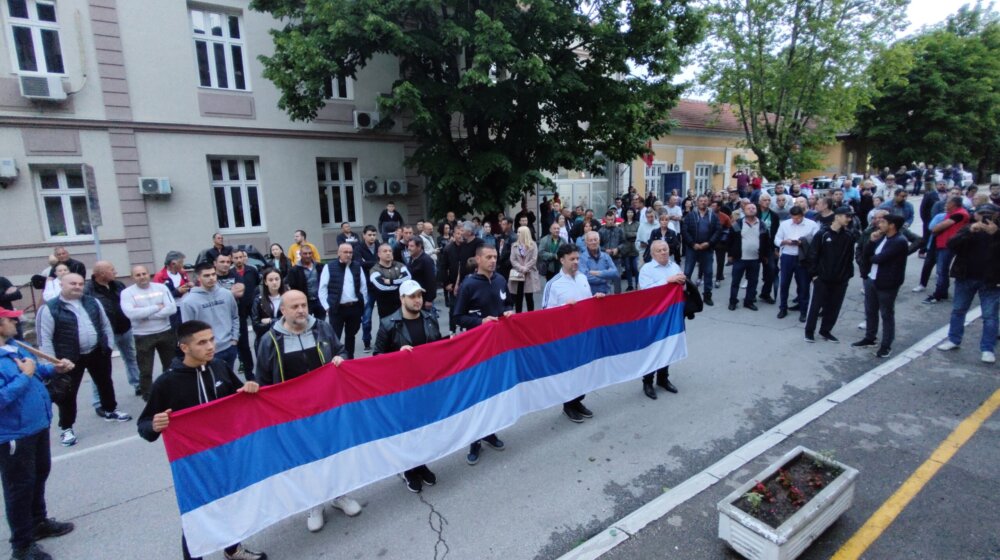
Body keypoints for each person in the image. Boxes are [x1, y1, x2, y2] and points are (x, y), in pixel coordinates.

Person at [137, 320, 267, 560]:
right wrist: (154, 425)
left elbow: (238, 398)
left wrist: (249, 388)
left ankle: (232, 549)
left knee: (230, 503)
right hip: (194, 462)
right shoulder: (167, 382)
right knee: (198, 515)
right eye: (202, 342)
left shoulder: (220, 367)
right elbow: (144, 426)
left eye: (212, 340)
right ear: (184, 347)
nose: (210, 346)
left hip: (227, 452)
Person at [255, 291, 361, 530]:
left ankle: (339, 494)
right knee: (307, 457)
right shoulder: (269, 340)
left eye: (303, 305)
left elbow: (342, 350)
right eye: (295, 306)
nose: (301, 310)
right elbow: (262, 379)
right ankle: (315, 503)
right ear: (283, 310)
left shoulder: (322, 328)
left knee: (333, 451)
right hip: (293, 414)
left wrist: (340, 358)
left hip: (326, 406)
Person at [0, 308, 75, 560]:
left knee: (38, 475)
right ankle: (21, 545)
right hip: (13, 434)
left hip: (36, 425)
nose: (16, 321)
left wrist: (55, 370)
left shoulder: (13, 346)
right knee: (19, 487)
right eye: (10, 319)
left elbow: (35, 371)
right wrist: (26, 376)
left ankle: (38, 522)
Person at [35, 274, 131, 447]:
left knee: (105, 383)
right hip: (68, 359)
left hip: (96, 352)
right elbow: (45, 339)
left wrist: (108, 346)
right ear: (61, 285)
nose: (77, 286)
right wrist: (52, 365)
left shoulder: (92, 302)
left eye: (80, 283)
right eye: (72, 283)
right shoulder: (50, 308)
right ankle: (66, 427)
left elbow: (105, 325)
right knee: (67, 393)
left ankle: (110, 410)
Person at [372, 280, 442, 492]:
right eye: (412, 296)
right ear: (402, 299)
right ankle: (408, 469)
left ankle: (421, 464)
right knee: (407, 430)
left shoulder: (430, 318)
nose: (417, 300)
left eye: (419, 295)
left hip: (425, 384)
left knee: (423, 427)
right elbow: (376, 358)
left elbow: (437, 347)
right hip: (401, 389)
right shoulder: (388, 324)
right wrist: (397, 356)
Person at [452, 245, 512, 465]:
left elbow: (508, 303)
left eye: (495, 257)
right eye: (488, 257)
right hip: (477, 348)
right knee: (478, 394)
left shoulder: (500, 280)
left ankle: (490, 432)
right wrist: (480, 322)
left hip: (498, 347)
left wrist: (508, 312)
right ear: (478, 260)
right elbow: (458, 316)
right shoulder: (468, 285)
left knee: (494, 391)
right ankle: (475, 440)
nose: (493, 260)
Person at [541, 244, 604, 421]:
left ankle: (578, 401)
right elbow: (545, 313)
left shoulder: (583, 278)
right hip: (566, 336)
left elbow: (587, 303)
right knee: (569, 371)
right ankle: (568, 405)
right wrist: (563, 308)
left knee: (584, 369)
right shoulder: (553, 284)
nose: (576, 262)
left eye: (577, 258)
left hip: (584, 333)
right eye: (572, 259)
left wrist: (596, 299)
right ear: (562, 260)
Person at [936, 204, 1000, 363]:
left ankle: (987, 349)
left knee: (990, 316)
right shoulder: (968, 229)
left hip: (990, 280)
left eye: (989, 214)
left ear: (996, 215)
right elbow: (951, 244)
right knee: (958, 310)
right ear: (976, 215)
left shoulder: (997, 231)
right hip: (965, 277)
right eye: (981, 214)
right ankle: (953, 339)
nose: (985, 217)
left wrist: (996, 234)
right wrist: (970, 232)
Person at [853, 215, 908, 359]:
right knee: (870, 311)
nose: (879, 224)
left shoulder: (899, 241)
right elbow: (866, 253)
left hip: (887, 283)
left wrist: (870, 257)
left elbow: (878, 258)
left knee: (886, 314)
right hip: (872, 278)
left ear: (892, 225)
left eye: (883, 222)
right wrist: (871, 241)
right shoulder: (882, 237)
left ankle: (886, 345)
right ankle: (870, 337)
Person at [637, 240, 686, 399]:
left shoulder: (674, 266)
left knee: (668, 346)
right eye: (659, 250)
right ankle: (648, 382)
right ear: (652, 254)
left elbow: (681, 288)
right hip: (653, 316)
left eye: (665, 249)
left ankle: (663, 378)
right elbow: (645, 291)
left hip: (671, 315)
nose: (664, 252)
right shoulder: (647, 269)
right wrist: (667, 281)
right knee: (653, 349)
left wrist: (681, 281)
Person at [120, 265, 177, 401]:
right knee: (145, 370)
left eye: (144, 273)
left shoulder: (161, 288)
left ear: (149, 274)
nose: (142, 277)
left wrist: (145, 314)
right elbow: (131, 313)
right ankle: (148, 396)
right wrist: (157, 307)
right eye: (138, 275)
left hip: (165, 332)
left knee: (170, 366)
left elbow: (172, 308)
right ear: (132, 277)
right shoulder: (127, 293)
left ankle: (170, 391)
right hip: (143, 335)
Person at [804, 207, 857, 342]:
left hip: (841, 279)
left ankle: (825, 331)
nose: (849, 219)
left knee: (834, 307)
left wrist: (847, 275)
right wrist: (814, 275)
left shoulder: (849, 235)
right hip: (822, 278)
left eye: (851, 217)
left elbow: (850, 257)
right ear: (837, 216)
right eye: (847, 216)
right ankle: (809, 332)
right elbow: (813, 255)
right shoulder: (822, 234)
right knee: (816, 306)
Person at [179, 261, 241, 371]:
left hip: (229, 346)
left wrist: (234, 339)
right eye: (206, 275)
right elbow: (188, 330)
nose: (211, 278)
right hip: (206, 351)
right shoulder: (188, 302)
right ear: (198, 277)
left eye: (213, 274)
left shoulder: (226, 294)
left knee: (227, 381)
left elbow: (235, 317)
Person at [319, 243, 367, 359]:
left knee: (351, 336)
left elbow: (363, 287)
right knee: (335, 336)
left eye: (350, 252)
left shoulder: (357, 266)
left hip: (354, 308)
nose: (348, 255)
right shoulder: (329, 267)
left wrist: (362, 304)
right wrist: (327, 307)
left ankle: (350, 359)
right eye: (345, 252)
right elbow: (322, 289)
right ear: (339, 253)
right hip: (336, 308)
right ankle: (335, 360)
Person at [774, 206, 819, 321]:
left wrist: (802, 242)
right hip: (788, 256)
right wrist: (785, 241)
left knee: (804, 285)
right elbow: (777, 239)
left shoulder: (812, 224)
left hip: (802, 257)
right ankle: (783, 308)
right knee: (784, 284)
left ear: (802, 215)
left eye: (798, 218)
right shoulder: (785, 224)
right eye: (794, 218)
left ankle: (803, 310)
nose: (796, 221)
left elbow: (817, 241)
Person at [924, 197, 970, 305]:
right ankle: (942, 291)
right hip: (943, 243)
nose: (945, 204)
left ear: (954, 204)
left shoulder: (959, 214)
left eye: (948, 202)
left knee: (942, 270)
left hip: (947, 245)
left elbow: (937, 228)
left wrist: (936, 227)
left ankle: (939, 293)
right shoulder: (954, 213)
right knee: (942, 269)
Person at [727, 201, 769, 311]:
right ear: (744, 211)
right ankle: (733, 301)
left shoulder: (762, 224)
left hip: (755, 260)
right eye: (748, 208)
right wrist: (730, 255)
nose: (751, 209)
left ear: (757, 210)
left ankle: (748, 301)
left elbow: (766, 241)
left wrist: (764, 255)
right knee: (735, 281)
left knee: (753, 282)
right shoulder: (737, 224)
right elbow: (730, 240)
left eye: (753, 208)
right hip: (739, 259)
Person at [682, 195, 721, 305]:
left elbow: (718, 231)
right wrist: (692, 243)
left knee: (708, 272)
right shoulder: (690, 215)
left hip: (707, 248)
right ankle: (686, 294)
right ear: (697, 202)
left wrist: (709, 243)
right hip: (692, 248)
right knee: (687, 272)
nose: (703, 203)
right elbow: (684, 231)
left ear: (708, 202)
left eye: (705, 201)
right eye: (701, 201)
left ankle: (707, 295)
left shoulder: (713, 216)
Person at [230, 249, 259, 375]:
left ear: (244, 258)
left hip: (252, 306)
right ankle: (245, 364)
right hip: (238, 309)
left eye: (240, 257)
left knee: (259, 332)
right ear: (232, 259)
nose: (238, 260)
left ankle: (261, 359)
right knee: (242, 339)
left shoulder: (252, 270)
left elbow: (257, 283)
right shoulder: (230, 273)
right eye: (235, 258)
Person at [368, 243, 412, 321]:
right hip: (385, 308)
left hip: (402, 305)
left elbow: (408, 278)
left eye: (390, 251)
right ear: (379, 254)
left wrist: (392, 282)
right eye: (385, 251)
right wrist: (400, 284)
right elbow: (382, 287)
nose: (388, 253)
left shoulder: (400, 265)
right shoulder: (374, 270)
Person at [355, 226, 380, 352]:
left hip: (380, 286)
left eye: (374, 235)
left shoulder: (379, 246)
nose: (372, 237)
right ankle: (367, 341)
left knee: (385, 315)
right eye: (370, 235)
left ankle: (383, 339)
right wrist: (376, 262)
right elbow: (359, 263)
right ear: (364, 235)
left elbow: (385, 261)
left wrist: (368, 262)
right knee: (367, 317)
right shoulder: (358, 248)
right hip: (367, 287)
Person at [284, 244, 326, 320]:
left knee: (321, 323)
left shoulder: (320, 267)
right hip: (304, 302)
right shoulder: (294, 270)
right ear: (300, 254)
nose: (308, 255)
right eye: (305, 253)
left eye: (310, 253)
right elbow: (293, 288)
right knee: (304, 323)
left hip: (319, 301)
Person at [153, 251, 191, 330]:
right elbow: (158, 296)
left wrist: (189, 286)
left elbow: (187, 284)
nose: (182, 264)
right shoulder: (160, 276)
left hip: (184, 307)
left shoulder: (182, 273)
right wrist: (177, 292)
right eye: (181, 262)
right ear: (173, 264)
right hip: (172, 310)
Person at [509, 226, 540, 312]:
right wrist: (521, 268)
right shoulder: (514, 245)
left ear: (524, 233)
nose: (517, 234)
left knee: (529, 296)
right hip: (518, 274)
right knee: (518, 297)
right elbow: (512, 259)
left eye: (519, 232)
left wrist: (526, 267)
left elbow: (534, 259)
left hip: (529, 273)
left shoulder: (533, 245)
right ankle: (518, 316)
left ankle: (530, 316)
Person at [251, 268, 287, 341]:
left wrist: (271, 321)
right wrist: (280, 321)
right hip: (266, 339)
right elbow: (256, 325)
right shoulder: (258, 300)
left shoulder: (288, 297)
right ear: (265, 282)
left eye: (277, 279)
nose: (274, 282)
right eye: (271, 280)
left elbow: (291, 320)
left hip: (286, 338)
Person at [405, 237, 438, 316]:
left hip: (424, 298)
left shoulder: (426, 260)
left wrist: (429, 300)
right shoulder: (412, 258)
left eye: (412, 246)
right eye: (408, 246)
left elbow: (431, 281)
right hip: (415, 296)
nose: (409, 248)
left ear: (419, 246)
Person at [579, 231, 618, 296]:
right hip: (590, 294)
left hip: (607, 293)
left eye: (595, 240)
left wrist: (598, 273)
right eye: (590, 240)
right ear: (586, 243)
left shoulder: (606, 256)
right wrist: (606, 277)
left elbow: (615, 273)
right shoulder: (581, 258)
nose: (593, 242)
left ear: (599, 241)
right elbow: (585, 277)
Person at [598, 209, 624, 294]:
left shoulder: (619, 230)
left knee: (617, 278)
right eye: (608, 220)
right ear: (605, 219)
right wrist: (605, 250)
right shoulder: (601, 231)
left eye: (612, 219)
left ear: (614, 219)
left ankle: (618, 298)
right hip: (605, 259)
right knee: (606, 279)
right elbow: (597, 245)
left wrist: (618, 249)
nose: (610, 221)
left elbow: (624, 243)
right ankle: (607, 297)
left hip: (617, 258)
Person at [619, 208, 641, 291]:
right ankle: (630, 285)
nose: (630, 213)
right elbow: (623, 235)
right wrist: (633, 235)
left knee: (636, 268)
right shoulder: (623, 224)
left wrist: (631, 235)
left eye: (632, 212)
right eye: (628, 212)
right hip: (626, 248)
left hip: (635, 248)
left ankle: (637, 284)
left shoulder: (637, 224)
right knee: (627, 268)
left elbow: (638, 234)